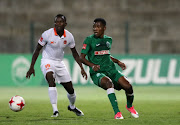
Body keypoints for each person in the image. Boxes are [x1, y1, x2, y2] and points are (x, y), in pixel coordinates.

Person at [26, 14, 87, 117]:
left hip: (59, 63)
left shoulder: (69, 36)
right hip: (47, 61)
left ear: (65, 24)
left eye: (60, 22)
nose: (58, 24)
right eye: (56, 22)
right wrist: (31, 66)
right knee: (50, 78)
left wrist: (81, 68)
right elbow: (37, 50)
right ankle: (55, 110)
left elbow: (75, 53)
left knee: (71, 90)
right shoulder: (47, 34)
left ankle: (72, 106)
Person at [80, 18, 139, 119]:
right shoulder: (89, 40)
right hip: (98, 72)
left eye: (98, 27)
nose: (95, 29)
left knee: (128, 86)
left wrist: (118, 62)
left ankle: (129, 106)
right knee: (108, 84)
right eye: (94, 26)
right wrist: (92, 65)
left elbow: (106, 55)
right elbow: (81, 57)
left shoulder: (109, 40)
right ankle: (117, 113)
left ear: (104, 28)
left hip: (111, 70)